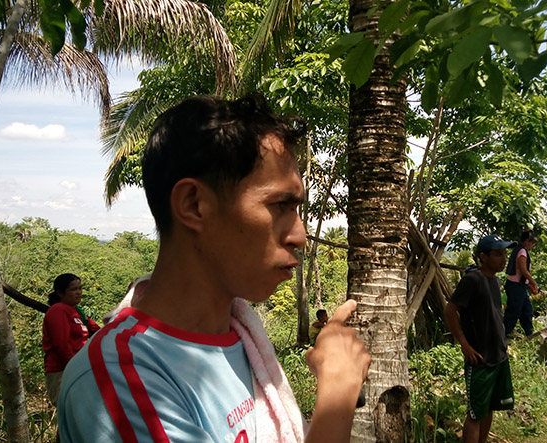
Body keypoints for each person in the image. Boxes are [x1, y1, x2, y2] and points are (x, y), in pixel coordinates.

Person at [58, 94, 371, 442]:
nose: (299, 235)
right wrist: (339, 388)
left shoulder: (240, 339)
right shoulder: (120, 378)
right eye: (281, 204)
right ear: (194, 205)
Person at [445, 235, 516, 443]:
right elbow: (450, 310)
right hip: (479, 359)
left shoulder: (494, 281)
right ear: (483, 257)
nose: (503, 259)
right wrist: (464, 344)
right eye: (498, 254)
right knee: (475, 413)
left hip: (499, 356)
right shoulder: (472, 280)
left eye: (504, 254)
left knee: (489, 408)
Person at [42, 273, 100, 407]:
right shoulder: (58, 310)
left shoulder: (77, 312)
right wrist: (74, 368)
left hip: (78, 369)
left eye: (80, 288)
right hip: (62, 370)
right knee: (72, 409)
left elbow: (99, 332)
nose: (79, 292)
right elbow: (61, 344)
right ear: (60, 293)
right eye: (73, 289)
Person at [504, 228, 539, 337]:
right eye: (532, 242)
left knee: (527, 311)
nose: (532, 245)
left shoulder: (519, 250)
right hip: (516, 286)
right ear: (527, 241)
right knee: (513, 312)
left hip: (521, 286)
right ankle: (502, 334)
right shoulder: (522, 251)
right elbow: (523, 270)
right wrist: (533, 282)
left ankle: (529, 334)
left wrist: (528, 284)